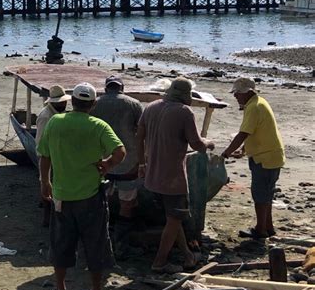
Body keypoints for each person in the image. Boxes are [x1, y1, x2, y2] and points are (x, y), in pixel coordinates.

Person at [37, 83, 126, 290]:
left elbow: (44, 156)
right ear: (93, 105)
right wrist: (107, 164)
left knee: (61, 244)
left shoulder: (55, 122)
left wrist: (44, 182)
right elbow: (120, 151)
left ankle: (60, 288)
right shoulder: (98, 126)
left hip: (61, 196)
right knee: (95, 244)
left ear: (72, 102)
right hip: (91, 197)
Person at [136, 77, 214, 273]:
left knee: (173, 218)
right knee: (174, 219)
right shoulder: (184, 112)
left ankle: (187, 255)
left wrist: (142, 163)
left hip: (152, 175)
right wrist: (208, 143)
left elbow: (139, 137)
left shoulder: (152, 107)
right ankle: (160, 262)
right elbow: (196, 144)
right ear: (186, 96)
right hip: (173, 178)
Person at [222, 77, 285, 239]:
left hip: (264, 158)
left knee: (260, 195)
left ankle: (260, 230)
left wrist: (226, 152)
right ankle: (268, 227)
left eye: (237, 93)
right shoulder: (258, 103)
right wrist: (243, 150)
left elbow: (243, 133)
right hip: (271, 155)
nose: (235, 96)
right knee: (266, 194)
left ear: (248, 92)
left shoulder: (254, 107)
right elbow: (254, 131)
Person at [90, 75, 144, 260]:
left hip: (101, 161)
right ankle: (120, 245)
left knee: (98, 202)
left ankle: (99, 243)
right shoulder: (134, 104)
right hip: (128, 161)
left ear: (106, 88)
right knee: (127, 203)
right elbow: (141, 131)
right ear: (122, 88)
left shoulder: (95, 103)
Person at [35, 85, 71, 227]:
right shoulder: (46, 117)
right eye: (61, 102)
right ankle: (47, 218)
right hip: (48, 156)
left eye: (64, 102)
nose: (64, 104)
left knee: (53, 185)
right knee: (47, 184)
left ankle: (52, 215)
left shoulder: (57, 114)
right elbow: (41, 142)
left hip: (56, 155)